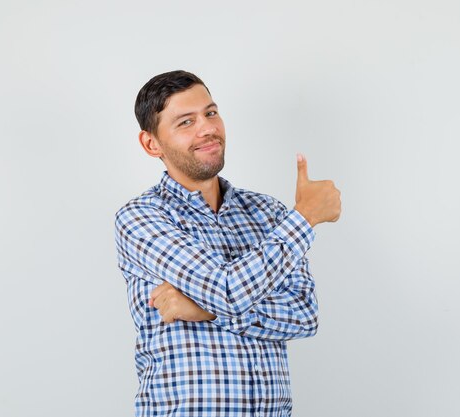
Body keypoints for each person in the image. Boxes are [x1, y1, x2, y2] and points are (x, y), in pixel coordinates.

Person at [114, 70, 341, 417]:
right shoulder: (142, 218)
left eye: (210, 112)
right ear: (151, 144)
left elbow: (304, 315)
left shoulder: (269, 213)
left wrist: (204, 310)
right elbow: (227, 291)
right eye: (185, 122)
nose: (207, 128)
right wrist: (306, 217)